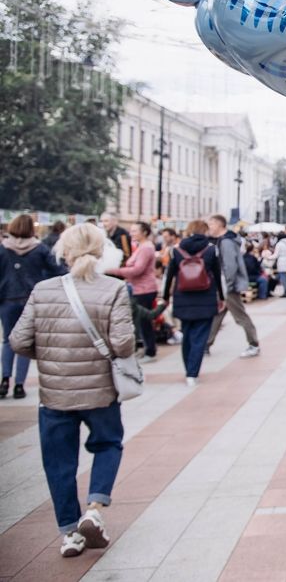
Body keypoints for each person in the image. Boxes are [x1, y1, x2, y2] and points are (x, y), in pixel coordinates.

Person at [9, 223, 134, 557]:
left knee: (58, 462)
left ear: (62, 251)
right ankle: (94, 507)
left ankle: (70, 533)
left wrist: (50, 355)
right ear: (99, 251)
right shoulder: (114, 289)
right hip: (100, 391)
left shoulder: (44, 289)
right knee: (108, 444)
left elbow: (18, 341)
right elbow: (123, 344)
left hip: (54, 394)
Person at [1, 214, 68, 399]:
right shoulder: (39, 248)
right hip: (32, 298)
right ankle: (19, 385)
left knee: (8, 340)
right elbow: (58, 269)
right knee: (27, 341)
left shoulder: (2, 248)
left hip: (7, 298)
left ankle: (5, 379)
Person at [162, 220, 223, 386]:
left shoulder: (177, 250)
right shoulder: (211, 249)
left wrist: (166, 296)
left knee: (187, 333)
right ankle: (192, 372)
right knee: (200, 336)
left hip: (183, 297)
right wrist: (221, 297)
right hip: (206, 297)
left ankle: (188, 368)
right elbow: (217, 276)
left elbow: (170, 276)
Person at [206, 215, 260, 358]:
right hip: (226, 285)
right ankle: (206, 344)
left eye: (211, 224)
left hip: (228, 285)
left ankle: (253, 344)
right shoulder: (226, 240)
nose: (209, 227)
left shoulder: (226, 242)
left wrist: (227, 286)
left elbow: (230, 266)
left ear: (219, 225)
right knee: (218, 314)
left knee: (240, 316)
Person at [106, 221, 159, 363]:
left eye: (135, 231)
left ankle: (150, 351)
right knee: (142, 321)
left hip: (144, 289)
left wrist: (113, 270)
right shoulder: (143, 247)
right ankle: (148, 349)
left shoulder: (146, 248)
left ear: (145, 232)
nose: (131, 233)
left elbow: (138, 270)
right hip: (140, 287)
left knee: (144, 320)